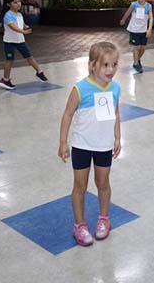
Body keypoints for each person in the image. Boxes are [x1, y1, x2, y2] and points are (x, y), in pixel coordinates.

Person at [58, 42, 122, 246]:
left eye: (114, 64)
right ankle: (79, 225)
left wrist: (117, 137)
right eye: (105, 65)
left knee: (103, 184)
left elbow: (116, 112)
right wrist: (63, 142)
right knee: (80, 186)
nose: (110, 70)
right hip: (82, 146)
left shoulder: (116, 88)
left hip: (104, 145)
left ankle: (104, 219)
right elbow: (67, 114)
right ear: (93, 65)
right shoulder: (80, 89)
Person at [0, 0, 48, 90]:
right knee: (9, 60)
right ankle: (5, 80)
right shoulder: (8, 16)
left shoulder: (19, 14)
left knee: (29, 57)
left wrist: (25, 26)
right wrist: (23, 31)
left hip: (20, 41)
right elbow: (14, 27)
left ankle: (39, 72)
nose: (18, 4)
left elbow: (21, 24)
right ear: (9, 4)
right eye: (15, 2)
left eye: (19, 2)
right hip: (9, 42)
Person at [120, 0, 153, 73]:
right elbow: (128, 13)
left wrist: (149, 29)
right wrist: (123, 19)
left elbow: (151, 18)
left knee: (143, 48)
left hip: (143, 30)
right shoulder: (133, 5)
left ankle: (137, 60)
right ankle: (136, 63)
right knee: (136, 47)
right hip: (134, 30)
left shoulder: (148, 6)